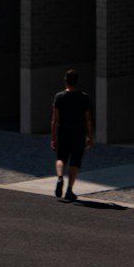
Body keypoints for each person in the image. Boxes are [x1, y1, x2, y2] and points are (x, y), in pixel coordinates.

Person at [51, 69, 93, 204]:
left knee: (60, 158)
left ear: (65, 81)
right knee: (75, 161)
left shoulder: (59, 97)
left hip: (63, 132)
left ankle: (59, 178)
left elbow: (55, 119)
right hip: (78, 133)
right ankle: (69, 190)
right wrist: (90, 136)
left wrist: (53, 137)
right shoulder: (84, 97)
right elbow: (87, 119)